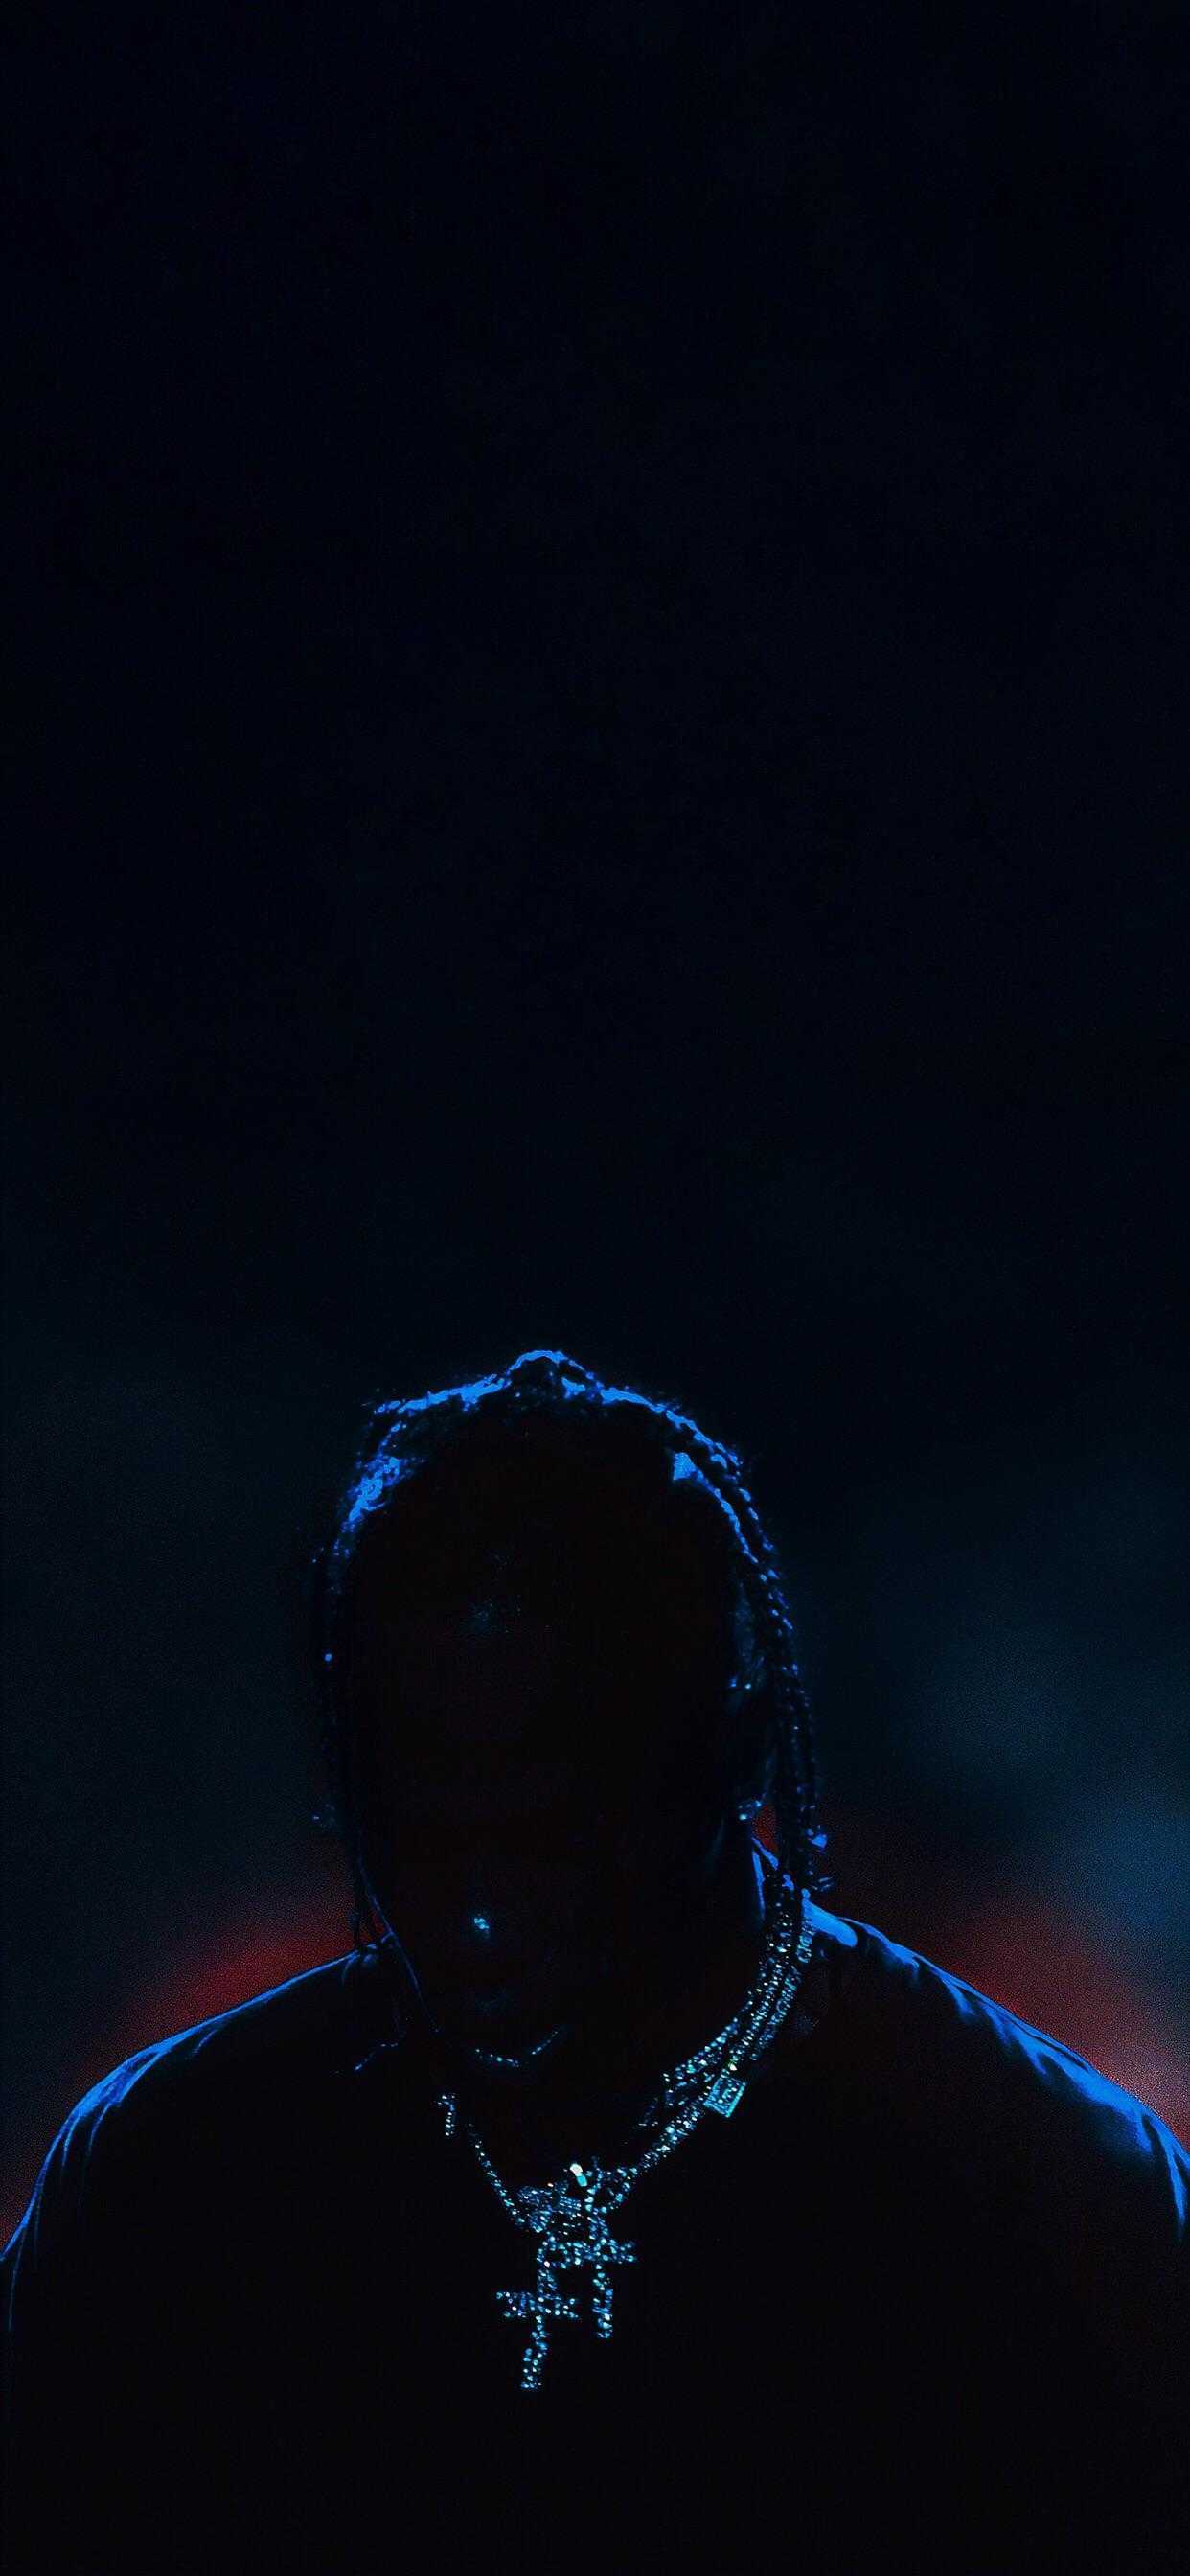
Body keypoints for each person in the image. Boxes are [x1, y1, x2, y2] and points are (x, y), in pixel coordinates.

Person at [3, 1347, 1187, 2573]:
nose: (473, 1910)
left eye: (554, 1814)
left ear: (737, 1744)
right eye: (416, 1803)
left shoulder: (1046, 2199)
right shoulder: (170, 2172)